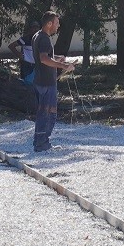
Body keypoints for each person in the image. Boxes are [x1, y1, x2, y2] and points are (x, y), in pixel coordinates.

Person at [32, 11, 74, 152]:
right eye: (56, 23)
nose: (58, 25)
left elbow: (45, 57)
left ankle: (39, 142)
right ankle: (42, 144)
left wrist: (58, 58)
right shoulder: (44, 38)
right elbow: (44, 59)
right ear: (49, 24)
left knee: (42, 112)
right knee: (49, 113)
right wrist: (63, 66)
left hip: (40, 80)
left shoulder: (37, 36)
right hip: (46, 82)